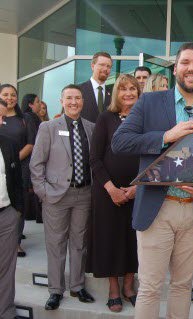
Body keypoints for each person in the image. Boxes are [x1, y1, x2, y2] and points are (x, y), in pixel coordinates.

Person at [111, 42, 193, 319]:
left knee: (182, 285)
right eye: (185, 62)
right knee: (151, 287)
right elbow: (120, 142)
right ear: (175, 68)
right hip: (157, 208)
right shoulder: (150, 102)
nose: (191, 68)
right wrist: (166, 136)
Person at [30, 84, 95, 311]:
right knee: (56, 244)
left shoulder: (91, 128)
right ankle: (55, 290)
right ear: (61, 100)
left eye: (77, 98)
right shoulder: (49, 127)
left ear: (83, 101)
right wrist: (43, 192)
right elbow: (36, 163)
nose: (74, 102)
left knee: (79, 243)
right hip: (56, 196)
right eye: (69, 98)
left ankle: (77, 286)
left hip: (84, 194)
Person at [87, 74, 140, 312]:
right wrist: (111, 189)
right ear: (115, 93)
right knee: (110, 239)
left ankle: (129, 286)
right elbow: (95, 159)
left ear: (139, 93)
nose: (128, 93)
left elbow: (155, 158)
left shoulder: (145, 120)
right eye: (123, 89)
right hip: (108, 193)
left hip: (138, 192)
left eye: (133, 89)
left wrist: (138, 188)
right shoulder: (105, 118)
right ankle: (113, 289)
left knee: (133, 239)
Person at [0, 84, 35, 258]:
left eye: (13, 95)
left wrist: (13, 158)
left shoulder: (25, 119)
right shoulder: (1, 116)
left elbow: (30, 143)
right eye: (5, 94)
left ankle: (16, 243)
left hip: (19, 167)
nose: (10, 98)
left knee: (17, 203)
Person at [0, 98, 23, 319]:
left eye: (2, 117)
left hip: (6, 214)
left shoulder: (8, 143)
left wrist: (17, 210)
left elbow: (16, 179)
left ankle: (5, 312)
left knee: (6, 269)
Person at [20, 94, 43, 222]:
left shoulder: (28, 117)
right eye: (37, 101)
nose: (40, 104)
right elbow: (32, 143)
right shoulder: (29, 117)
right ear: (30, 104)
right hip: (28, 163)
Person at [79, 52, 112, 123]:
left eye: (108, 66)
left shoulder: (113, 93)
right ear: (92, 66)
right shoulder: (79, 90)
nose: (105, 69)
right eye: (102, 65)